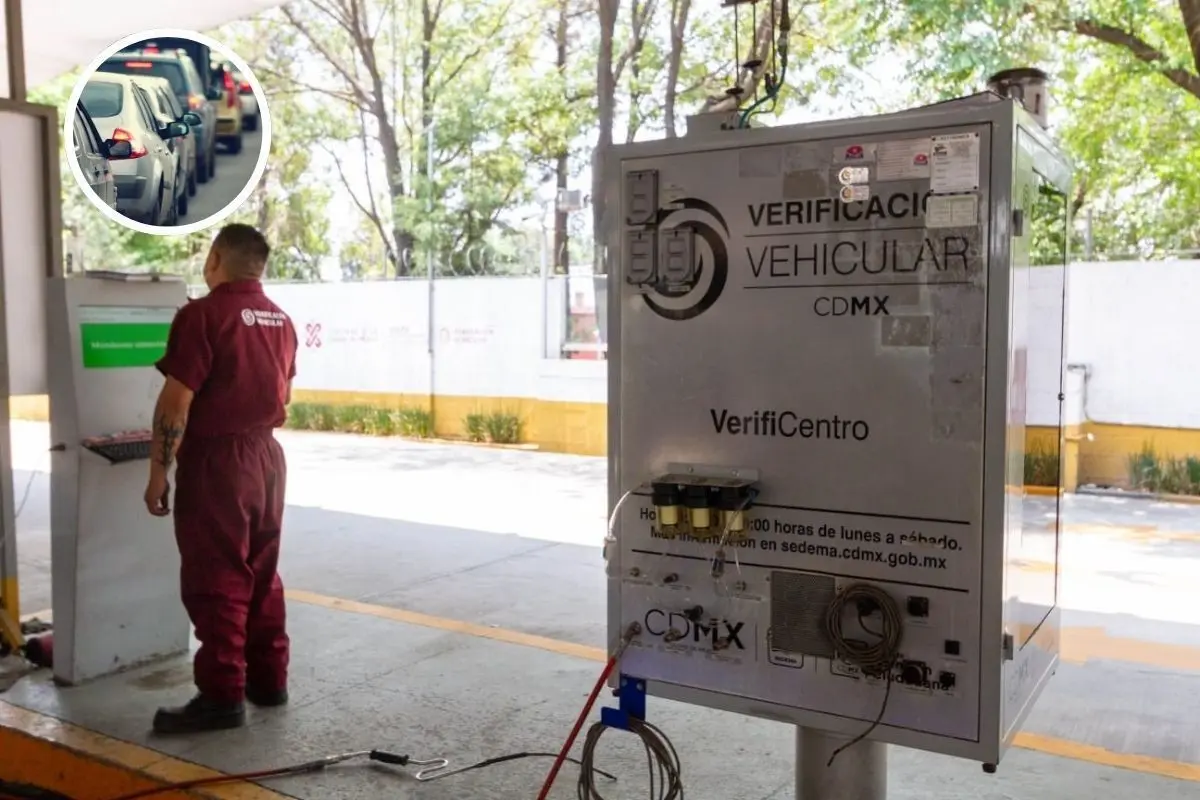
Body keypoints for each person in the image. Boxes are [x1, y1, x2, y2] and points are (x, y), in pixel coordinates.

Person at [145, 224, 298, 734]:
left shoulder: (202, 316)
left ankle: (221, 695)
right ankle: (268, 681)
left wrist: (157, 472)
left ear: (215, 259)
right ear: (260, 266)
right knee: (261, 570)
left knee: (219, 578)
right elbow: (286, 397)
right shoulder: (281, 320)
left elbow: (175, 402)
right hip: (268, 459)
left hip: (219, 463)